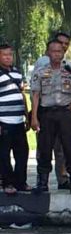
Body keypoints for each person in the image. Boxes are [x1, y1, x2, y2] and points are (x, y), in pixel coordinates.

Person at [30, 38, 71, 194]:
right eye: (53, 51)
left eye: (59, 51)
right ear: (48, 53)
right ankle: (42, 181)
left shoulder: (70, 69)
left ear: (63, 52)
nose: (56, 54)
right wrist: (34, 117)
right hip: (46, 113)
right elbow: (35, 95)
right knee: (45, 147)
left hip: (65, 113)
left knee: (70, 147)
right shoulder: (40, 71)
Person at [0, 41, 30, 195]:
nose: (8, 58)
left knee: (22, 153)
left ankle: (21, 181)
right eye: (4, 55)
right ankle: (7, 182)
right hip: (4, 121)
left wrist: (27, 115)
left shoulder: (17, 73)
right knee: (4, 155)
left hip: (18, 120)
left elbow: (21, 94)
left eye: (10, 55)